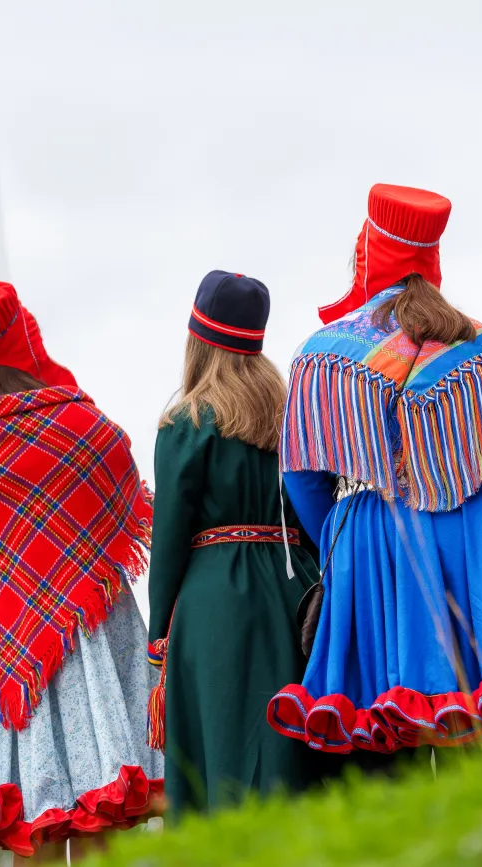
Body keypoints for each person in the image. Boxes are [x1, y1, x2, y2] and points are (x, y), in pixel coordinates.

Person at [266, 184, 482, 756]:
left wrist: (340, 538)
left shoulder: (323, 355)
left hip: (381, 537)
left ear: (370, 253)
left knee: (401, 720)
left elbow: (303, 477)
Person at [0, 281, 163, 864]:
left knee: (31, 825)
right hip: (86, 636)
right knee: (97, 810)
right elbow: (125, 502)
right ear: (30, 343)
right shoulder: (82, 426)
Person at [146, 270, 333, 818]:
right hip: (291, 587)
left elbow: (170, 538)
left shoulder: (185, 424)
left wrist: (160, 634)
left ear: (197, 340)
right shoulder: (288, 412)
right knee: (287, 748)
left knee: (221, 748)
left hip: (214, 600)